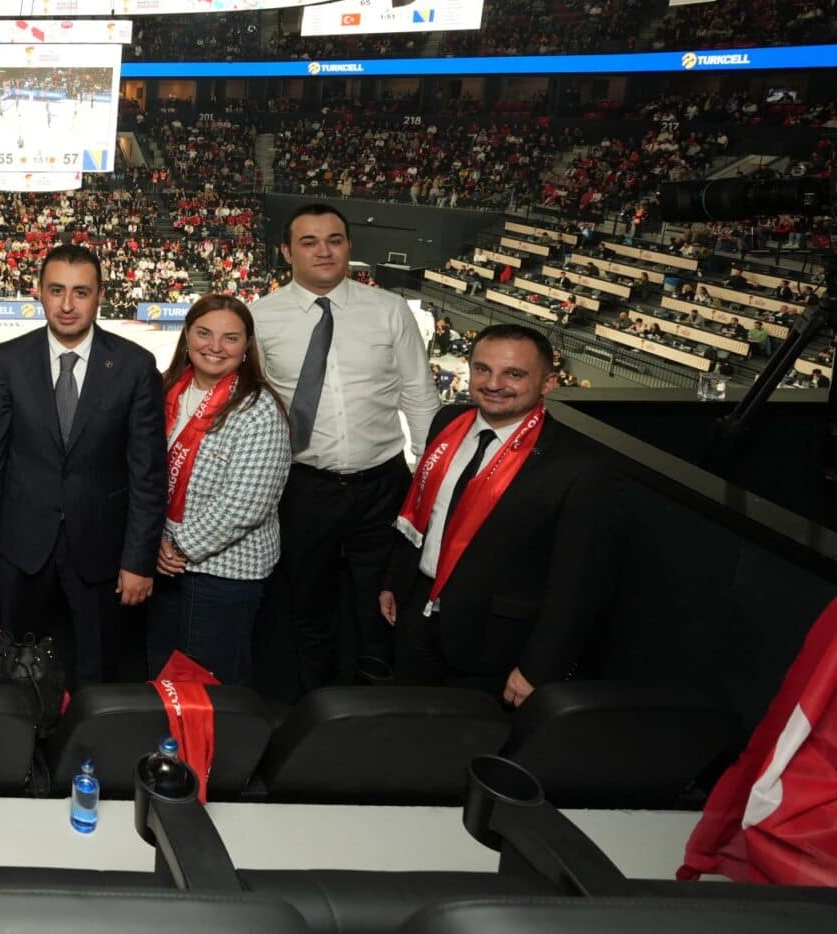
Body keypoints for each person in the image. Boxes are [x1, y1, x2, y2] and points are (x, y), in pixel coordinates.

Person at [255, 203, 437, 693]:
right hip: (301, 486)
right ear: (286, 251)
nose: (324, 250)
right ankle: (312, 706)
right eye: (309, 241)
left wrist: (431, 482)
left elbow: (419, 396)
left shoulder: (390, 310)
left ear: (349, 246)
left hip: (383, 485)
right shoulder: (260, 318)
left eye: (334, 239)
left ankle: (375, 706)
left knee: (380, 603)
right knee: (308, 603)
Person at [380, 325, 613, 705]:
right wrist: (395, 580)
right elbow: (423, 512)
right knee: (405, 729)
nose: (494, 383)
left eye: (514, 374)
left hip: (493, 643)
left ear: (548, 383)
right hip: (415, 616)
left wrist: (539, 667)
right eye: (482, 369)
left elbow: (578, 586)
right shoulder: (448, 422)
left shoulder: (578, 467)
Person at [0, 243, 161, 686]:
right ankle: (22, 753)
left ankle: (86, 751)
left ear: (99, 295)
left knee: (96, 670)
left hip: (101, 548)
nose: (67, 305)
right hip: (22, 546)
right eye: (56, 290)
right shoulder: (9, 360)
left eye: (80, 292)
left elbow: (148, 474)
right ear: (39, 292)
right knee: (17, 668)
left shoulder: (134, 365)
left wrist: (139, 560)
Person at [148, 295, 290, 684]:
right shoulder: (165, 392)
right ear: (187, 336)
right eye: (204, 333)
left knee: (207, 688)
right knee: (162, 679)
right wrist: (154, 540)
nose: (214, 346)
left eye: (230, 337)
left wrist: (177, 547)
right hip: (163, 564)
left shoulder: (258, 409)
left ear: (247, 346)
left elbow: (246, 504)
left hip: (223, 574)